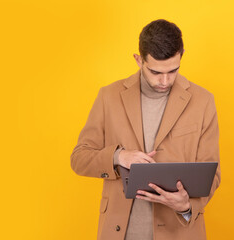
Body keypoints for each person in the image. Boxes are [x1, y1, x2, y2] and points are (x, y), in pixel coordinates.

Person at [70, 19, 221, 240]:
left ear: (182, 55)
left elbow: (212, 174)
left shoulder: (203, 101)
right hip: (120, 232)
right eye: (156, 72)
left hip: (179, 232)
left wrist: (186, 205)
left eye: (173, 70)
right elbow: (79, 158)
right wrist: (118, 156)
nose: (165, 80)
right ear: (139, 60)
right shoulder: (108, 97)